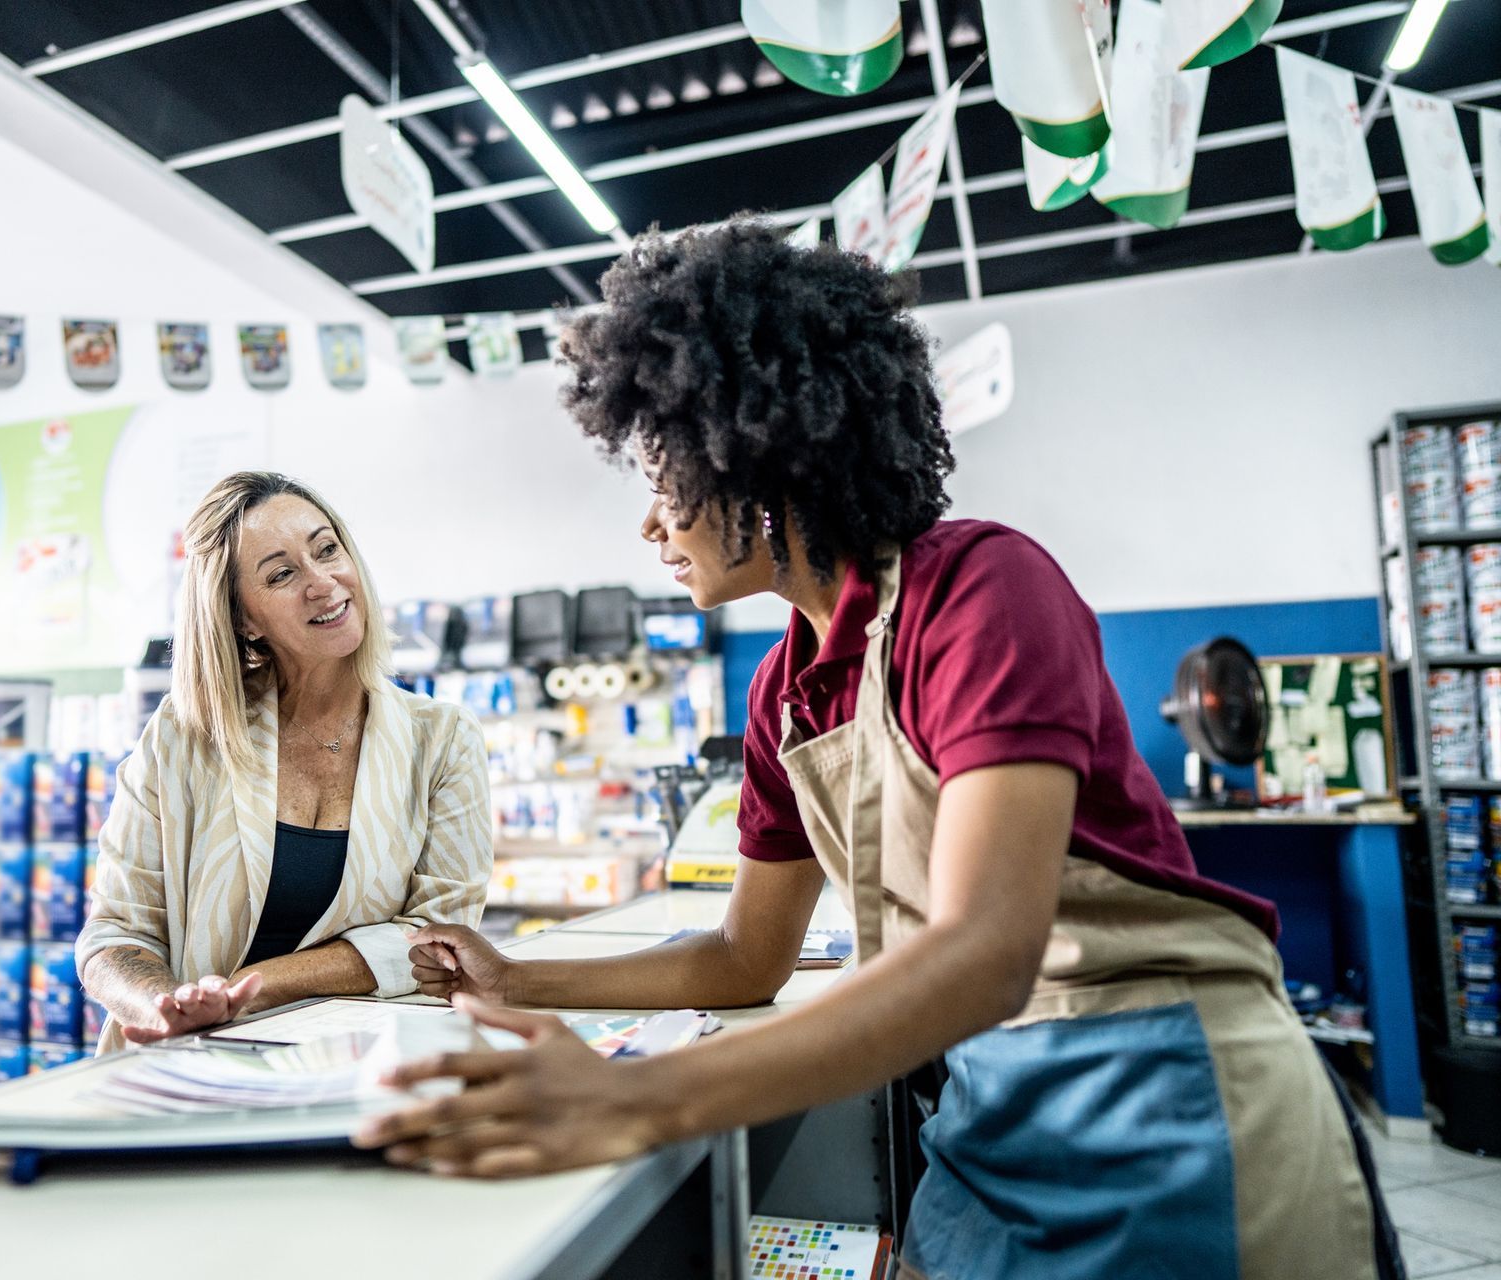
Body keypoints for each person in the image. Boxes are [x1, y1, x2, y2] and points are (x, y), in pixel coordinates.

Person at [352, 221, 1402, 1280]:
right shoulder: (784, 694)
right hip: (990, 1128)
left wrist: (634, 1101)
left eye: (661, 469)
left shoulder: (982, 588)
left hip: (1171, 1109)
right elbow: (742, 960)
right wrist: (520, 977)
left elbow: (987, 949)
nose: (650, 526)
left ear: (751, 457)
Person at [77, 472, 491, 1053]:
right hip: (187, 1071)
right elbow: (113, 937)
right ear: (245, 619)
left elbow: (440, 939)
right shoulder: (184, 735)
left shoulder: (442, 741)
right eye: (282, 574)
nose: (324, 584)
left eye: (327, 550)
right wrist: (169, 1007)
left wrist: (252, 988)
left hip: (362, 1064)